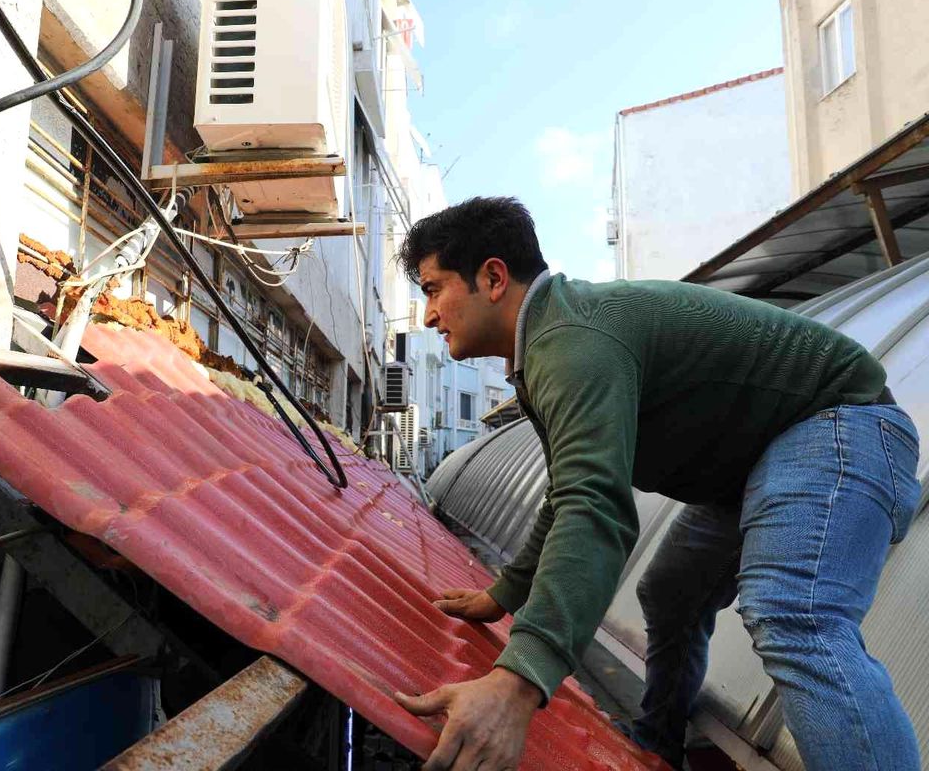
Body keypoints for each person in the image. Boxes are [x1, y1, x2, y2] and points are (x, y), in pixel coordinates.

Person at [390, 196, 921, 771]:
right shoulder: (546, 349)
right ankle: (659, 745)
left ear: (493, 277)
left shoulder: (571, 342)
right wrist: (507, 592)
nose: (427, 315)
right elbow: (569, 491)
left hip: (841, 426)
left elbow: (594, 508)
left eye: (433, 289)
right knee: (670, 593)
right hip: (757, 464)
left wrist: (519, 681)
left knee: (794, 612)